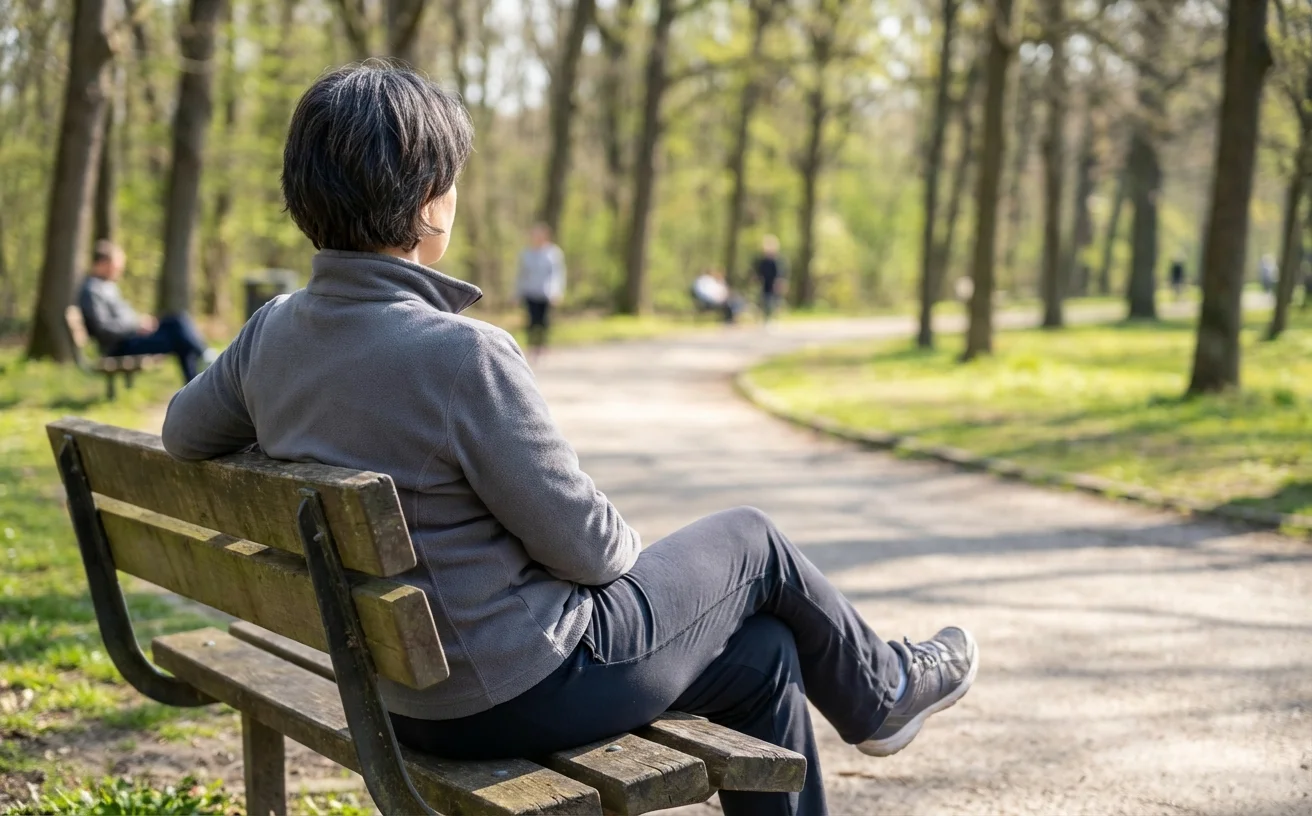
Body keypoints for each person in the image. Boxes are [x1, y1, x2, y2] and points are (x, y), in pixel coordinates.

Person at [159, 64, 979, 816]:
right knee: (754, 541)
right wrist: (624, 545)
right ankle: (883, 688)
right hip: (513, 689)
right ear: (429, 204)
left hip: (397, 691)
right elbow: (592, 555)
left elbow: (182, 432)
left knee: (765, 655)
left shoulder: (272, 336)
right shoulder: (461, 355)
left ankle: (880, 689)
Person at [77, 240, 212, 383]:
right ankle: (201, 370)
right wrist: (136, 325)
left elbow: (122, 318)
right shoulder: (92, 291)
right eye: (117, 265)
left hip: (131, 338)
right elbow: (104, 329)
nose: (120, 269)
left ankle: (201, 364)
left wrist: (142, 322)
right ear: (103, 263)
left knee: (177, 320)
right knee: (179, 338)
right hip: (120, 346)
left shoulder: (106, 286)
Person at [516, 223, 566, 363]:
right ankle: (531, 346)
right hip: (530, 292)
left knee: (544, 321)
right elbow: (521, 275)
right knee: (531, 321)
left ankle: (543, 346)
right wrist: (517, 293)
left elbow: (557, 274)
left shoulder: (553, 253)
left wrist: (556, 292)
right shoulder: (526, 254)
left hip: (546, 293)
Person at [753, 234, 788, 323]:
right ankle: (766, 318)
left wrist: (780, 282)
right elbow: (759, 272)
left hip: (775, 284)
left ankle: (774, 318)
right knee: (765, 301)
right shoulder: (762, 261)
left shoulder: (778, 261)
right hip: (765, 284)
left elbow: (781, 273)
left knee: (775, 302)